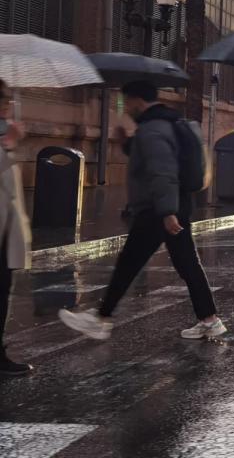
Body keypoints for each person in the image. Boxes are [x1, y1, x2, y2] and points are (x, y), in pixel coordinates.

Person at [59, 81, 225, 340]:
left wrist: (167, 212)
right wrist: (127, 144)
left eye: (126, 103)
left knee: (130, 263)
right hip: (173, 204)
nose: (125, 110)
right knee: (186, 264)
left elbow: (162, 171)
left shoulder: (151, 129)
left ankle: (102, 319)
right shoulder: (167, 122)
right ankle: (209, 319)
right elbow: (154, 158)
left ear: (136, 100)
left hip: (158, 209)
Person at [0, 81, 32, 376]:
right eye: (4, 100)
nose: (8, 106)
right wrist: (8, 143)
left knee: (3, 290)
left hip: (6, 230)